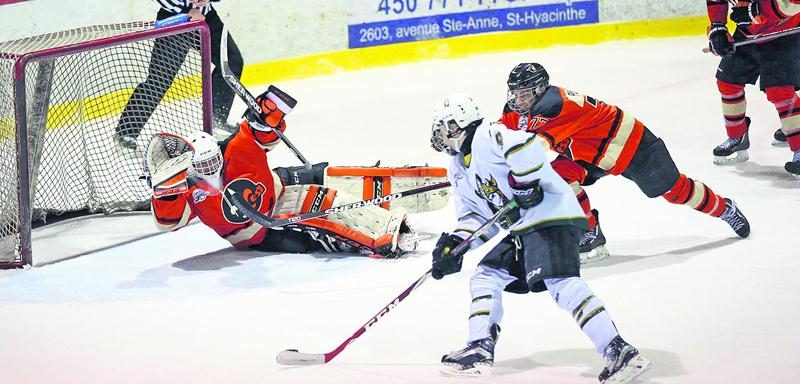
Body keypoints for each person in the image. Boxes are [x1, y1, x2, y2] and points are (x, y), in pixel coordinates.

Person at [428, 93, 651, 383]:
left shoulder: (489, 134)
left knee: (561, 283)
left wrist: (524, 182)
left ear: (460, 125)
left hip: (552, 216)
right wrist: (455, 246)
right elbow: (478, 218)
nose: (440, 136)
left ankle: (620, 351)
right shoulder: (458, 168)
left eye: (444, 128)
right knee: (486, 276)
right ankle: (479, 349)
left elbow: (528, 147)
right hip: (525, 227)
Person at [498, 63, 751, 260]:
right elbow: (498, 133)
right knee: (559, 176)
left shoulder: (554, 106)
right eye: (515, 94)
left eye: (524, 95)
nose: (518, 101)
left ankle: (724, 208)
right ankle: (590, 231)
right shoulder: (521, 109)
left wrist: (516, 178)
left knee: (676, 192)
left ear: (539, 90)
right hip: (591, 152)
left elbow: (533, 150)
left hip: (631, 145)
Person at [142, 87, 417, 258]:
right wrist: (165, 194)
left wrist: (268, 115)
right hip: (263, 230)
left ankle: (399, 191)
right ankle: (383, 234)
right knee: (320, 215)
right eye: (201, 167)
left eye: (212, 160)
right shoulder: (194, 193)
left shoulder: (237, 147)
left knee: (329, 175)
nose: (209, 169)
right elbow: (169, 222)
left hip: (278, 183)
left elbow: (262, 134)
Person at [116, 0, 245, 150]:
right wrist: (184, 10)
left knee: (231, 63)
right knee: (159, 80)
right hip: (174, 19)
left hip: (205, 17)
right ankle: (126, 132)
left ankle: (216, 120)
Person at [706, 0, 800, 175]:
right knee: (728, 81)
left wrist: (758, 9)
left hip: (785, 32)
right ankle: (737, 135)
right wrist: (717, 26)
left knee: (779, 91)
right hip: (748, 32)